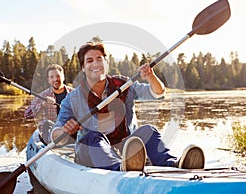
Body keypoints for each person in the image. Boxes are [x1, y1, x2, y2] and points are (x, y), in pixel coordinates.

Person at [51, 42, 205, 171]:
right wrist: (64, 131)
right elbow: (55, 133)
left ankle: (173, 164)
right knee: (93, 136)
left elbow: (157, 93)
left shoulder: (124, 85)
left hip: (125, 148)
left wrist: (151, 76)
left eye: (100, 59)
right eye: (89, 61)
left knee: (148, 131)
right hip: (90, 153)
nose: (96, 63)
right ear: (83, 68)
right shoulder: (73, 98)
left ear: (106, 63)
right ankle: (120, 168)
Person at [24, 64, 73, 144]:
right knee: (46, 124)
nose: (55, 79)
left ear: (63, 76)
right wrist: (43, 104)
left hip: (70, 130)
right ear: (48, 80)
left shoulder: (74, 94)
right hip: (51, 132)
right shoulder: (44, 95)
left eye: (58, 76)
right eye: (52, 77)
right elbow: (27, 115)